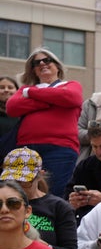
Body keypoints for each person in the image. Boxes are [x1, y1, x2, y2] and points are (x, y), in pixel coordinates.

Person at [5, 47, 83, 197]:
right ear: (33, 70)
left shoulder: (71, 85)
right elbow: (12, 107)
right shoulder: (24, 89)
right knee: (21, 195)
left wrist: (32, 94)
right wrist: (49, 102)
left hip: (60, 149)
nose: (42, 64)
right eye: (36, 62)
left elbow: (72, 97)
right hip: (26, 149)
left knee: (54, 195)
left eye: (47, 60)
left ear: (57, 67)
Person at [1, 148, 76, 249]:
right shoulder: (2, 204)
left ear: (40, 175)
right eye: (12, 181)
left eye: (25, 181)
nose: (17, 186)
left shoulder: (59, 207)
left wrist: (36, 244)